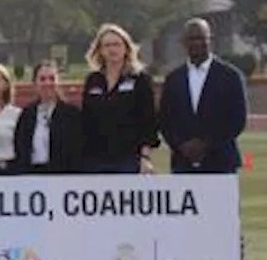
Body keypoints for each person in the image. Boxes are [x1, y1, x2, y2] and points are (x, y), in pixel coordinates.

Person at [159, 18, 249, 174]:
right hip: (183, 163)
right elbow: (165, 119)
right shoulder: (173, 79)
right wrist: (181, 145)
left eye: (201, 38)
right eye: (191, 39)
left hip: (221, 162)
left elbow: (237, 119)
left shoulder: (231, 76)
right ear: (183, 42)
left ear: (210, 39)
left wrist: (206, 144)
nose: (196, 43)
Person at [80, 23, 158, 174]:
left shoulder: (140, 79)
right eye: (107, 45)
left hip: (129, 159)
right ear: (100, 50)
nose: (112, 49)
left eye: (116, 44)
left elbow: (149, 120)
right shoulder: (93, 81)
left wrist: (145, 156)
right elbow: (86, 120)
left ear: (126, 47)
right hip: (95, 159)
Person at [14, 61, 83, 174]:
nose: (47, 83)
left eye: (52, 78)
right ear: (35, 83)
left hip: (62, 176)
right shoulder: (27, 114)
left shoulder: (72, 114)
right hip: (32, 175)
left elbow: (77, 150)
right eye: (42, 79)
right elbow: (20, 148)